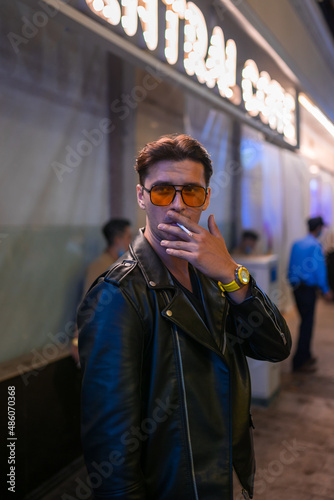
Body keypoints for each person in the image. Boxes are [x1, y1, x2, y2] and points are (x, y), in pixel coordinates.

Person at [77, 134, 291, 500]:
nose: (177, 204)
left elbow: (275, 346)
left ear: (206, 198)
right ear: (142, 196)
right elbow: (110, 447)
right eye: (162, 191)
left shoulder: (213, 275)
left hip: (226, 475)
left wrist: (232, 273)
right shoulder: (119, 294)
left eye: (191, 192)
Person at [71, 218, 132, 365]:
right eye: (129, 237)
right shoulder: (100, 266)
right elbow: (88, 304)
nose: (131, 242)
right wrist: (77, 340)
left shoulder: (122, 265)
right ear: (117, 240)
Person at [288, 216, 333, 373]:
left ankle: (306, 355)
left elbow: (290, 268)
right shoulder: (315, 246)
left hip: (297, 289)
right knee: (307, 325)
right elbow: (319, 270)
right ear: (319, 228)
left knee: (304, 321)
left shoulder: (297, 244)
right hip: (308, 290)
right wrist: (326, 290)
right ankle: (299, 361)